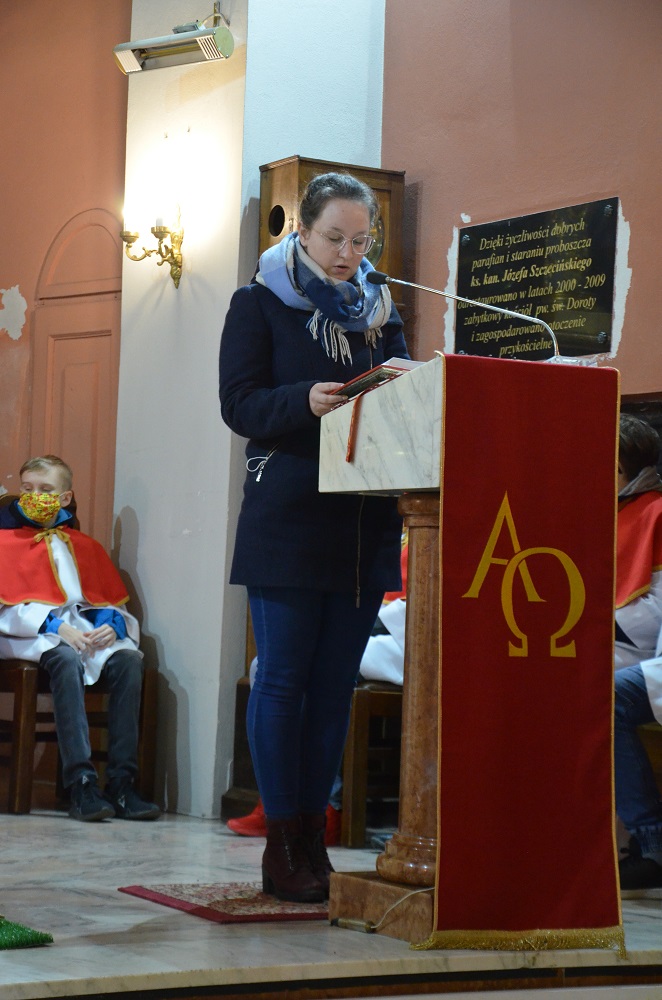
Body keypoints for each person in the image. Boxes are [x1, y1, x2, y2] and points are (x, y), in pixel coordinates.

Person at [218, 172, 408, 902]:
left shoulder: (378, 309)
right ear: (301, 230)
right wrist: (305, 399)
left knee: (333, 691)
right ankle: (282, 842)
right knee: (284, 681)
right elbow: (240, 403)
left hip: (362, 520)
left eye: (360, 241)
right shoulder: (259, 302)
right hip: (290, 515)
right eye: (334, 238)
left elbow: (401, 394)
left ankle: (314, 839)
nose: (348, 254)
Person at [0, 455, 160, 823]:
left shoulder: (86, 546)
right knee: (65, 657)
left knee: (128, 661)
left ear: (65, 497)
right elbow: (7, 609)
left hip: (81, 632)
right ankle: (81, 783)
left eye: (46, 489)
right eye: (27, 489)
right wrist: (55, 626)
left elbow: (101, 600)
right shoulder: (4, 543)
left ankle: (122, 783)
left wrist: (112, 625)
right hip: (25, 635)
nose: (35, 496)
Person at [612, 415, 662, 892]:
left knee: (596, 694)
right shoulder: (608, 510)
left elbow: (653, 611)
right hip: (608, 644)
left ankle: (649, 842)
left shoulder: (655, 513)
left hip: (633, 650)